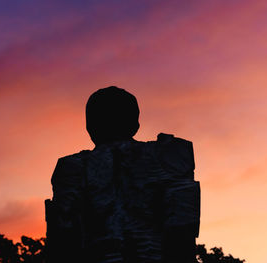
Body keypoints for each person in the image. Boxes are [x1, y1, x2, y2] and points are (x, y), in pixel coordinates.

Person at [45, 86, 200, 263]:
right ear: (136, 124)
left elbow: (62, 236)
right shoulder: (170, 155)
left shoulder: (73, 167)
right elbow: (183, 229)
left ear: (90, 125)